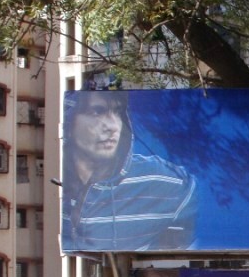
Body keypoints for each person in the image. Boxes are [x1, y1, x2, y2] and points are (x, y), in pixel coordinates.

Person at [62, 90, 197, 252]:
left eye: (118, 112)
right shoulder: (53, 184)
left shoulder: (166, 182)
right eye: (97, 112)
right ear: (68, 122)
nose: (113, 126)